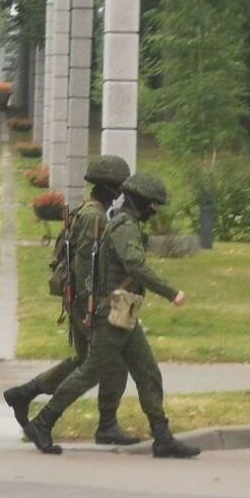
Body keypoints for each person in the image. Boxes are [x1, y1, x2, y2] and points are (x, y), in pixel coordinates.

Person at [21, 172, 200, 459]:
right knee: (89, 371)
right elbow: (135, 266)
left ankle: (162, 437)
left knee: (147, 372)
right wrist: (171, 292)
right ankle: (43, 422)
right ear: (140, 202)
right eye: (152, 204)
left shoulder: (124, 223)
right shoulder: (125, 227)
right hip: (112, 314)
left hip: (124, 310)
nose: (154, 210)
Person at [2, 155, 137, 445]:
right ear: (111, 187)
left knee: (85, 360)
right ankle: (100, 424)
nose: (121, 192)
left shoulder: (86, 212)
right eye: (119, 186)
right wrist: (93, 307)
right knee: (107, 363)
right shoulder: (94, 217)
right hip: (88, 303)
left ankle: (25, 393)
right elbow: (85, 265)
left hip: (80, 300)